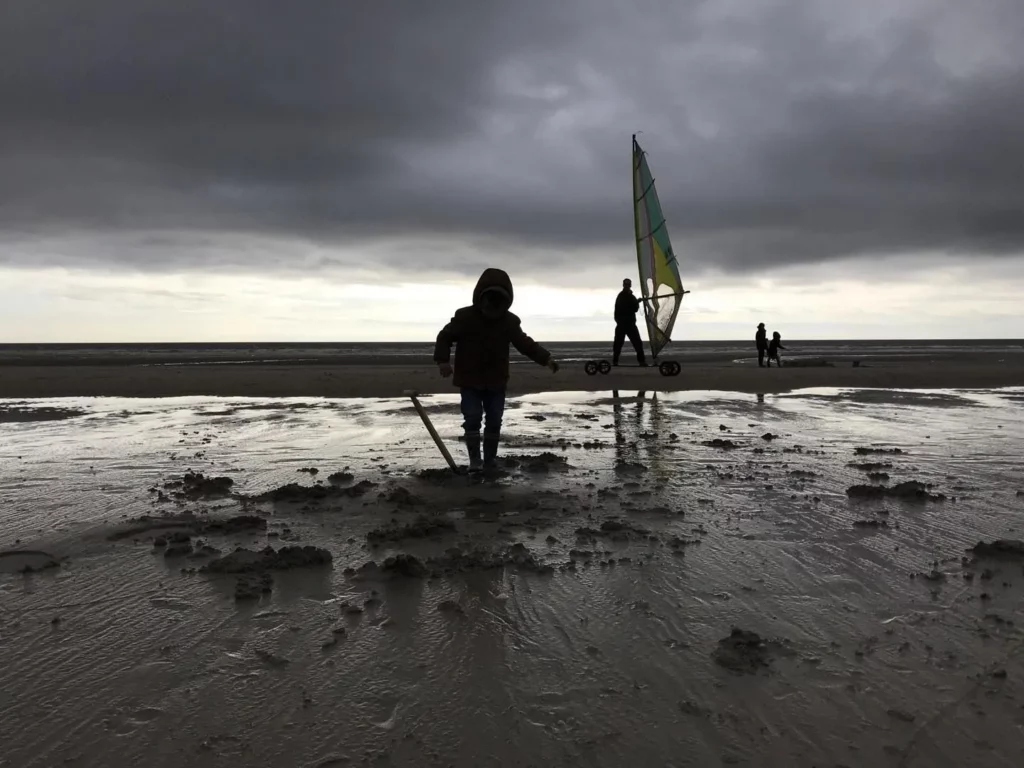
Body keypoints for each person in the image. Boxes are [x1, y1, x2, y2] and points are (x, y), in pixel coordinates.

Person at [434, 268, 559, 471]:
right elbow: (444, 336)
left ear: (505, 303)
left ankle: (490, 460)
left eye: (497, 304)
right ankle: (475, 460)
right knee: (472, 417)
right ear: (480, 299)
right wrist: (443, 361)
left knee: (494, 419)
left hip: (496, 380)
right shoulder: (465, 317)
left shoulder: (509, 322)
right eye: (488, 303)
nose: (492, 308)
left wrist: (546, 359)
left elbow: (525, 344)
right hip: (469, 379)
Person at [613, 278, 647, 366]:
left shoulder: (631, 296)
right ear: (623, 285)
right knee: (618, 344)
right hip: (622, 324)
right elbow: (626, 307)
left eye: (628, 284)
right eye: (626, 284)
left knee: (638, 343)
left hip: (631, 324)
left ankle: (642, 361)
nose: (627, 286)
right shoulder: (621, 296)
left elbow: (635, 309)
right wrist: (636, 302)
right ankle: (615, 361)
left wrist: (637, 302)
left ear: (630, 285)